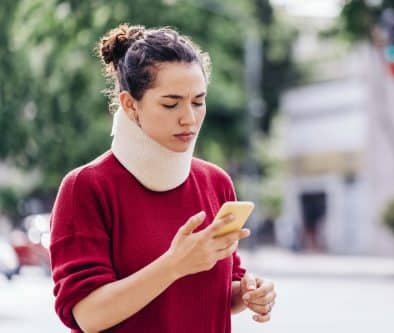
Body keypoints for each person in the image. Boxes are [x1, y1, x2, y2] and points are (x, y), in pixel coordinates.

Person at [50, 24, 276, 333]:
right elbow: (88, 316)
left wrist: (249, 293)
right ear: (130, 105)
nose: (189, 118)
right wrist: (175, 265)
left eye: (198, 101)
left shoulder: (216, 182)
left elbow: (221, 289)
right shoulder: (86, 187)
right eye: (171, 104)